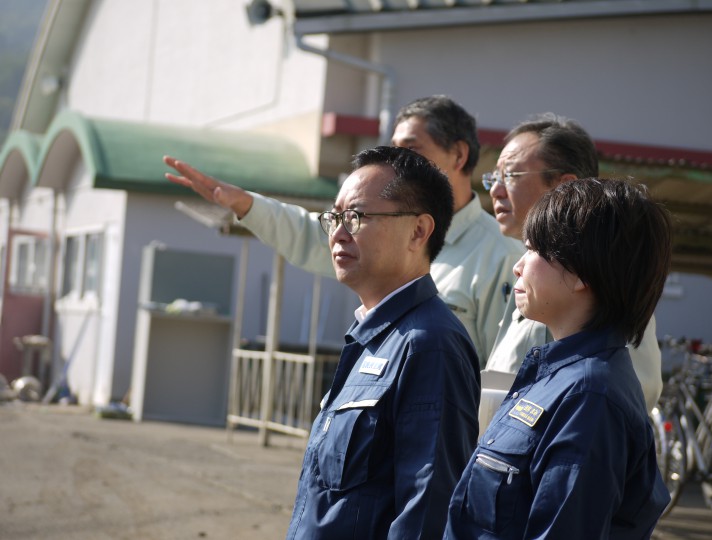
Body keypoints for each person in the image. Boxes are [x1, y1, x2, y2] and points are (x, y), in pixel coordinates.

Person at [164, 95, 524, 367]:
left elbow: (500, 376)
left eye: (411, 150)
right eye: (392, 149)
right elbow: (311, 235)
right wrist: (246, 204)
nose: (396, 163)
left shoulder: (502, 256)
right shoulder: (381, 228)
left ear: (459, 156)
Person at [444, 178, 672, 539]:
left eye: (533, 250)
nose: (518, 267)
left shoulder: (589, 397)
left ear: (580, 272)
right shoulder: (560, 376)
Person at [283, 146, 480, 539]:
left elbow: (425, 509)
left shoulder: (429, 344)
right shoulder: (375, 336)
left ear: (419, 231)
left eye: (356, 216)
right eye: (335, 217)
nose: (338, 232)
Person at [483, 113, 663, 411]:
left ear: (565, 186)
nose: (495, 190)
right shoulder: (527, 269)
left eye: (511, 176)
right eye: (494, 177)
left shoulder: (602, 277)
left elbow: (632, 392)